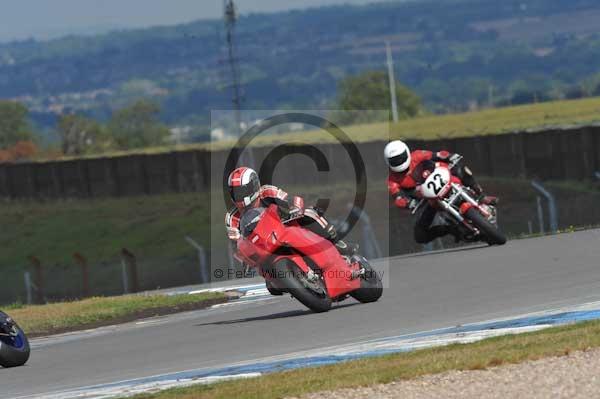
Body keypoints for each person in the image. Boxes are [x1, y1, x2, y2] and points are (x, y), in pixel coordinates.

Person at [225, 166, 356, 255]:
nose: (239, 196)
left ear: (254, 186)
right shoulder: (232, 218)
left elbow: (292, 200)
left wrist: (296, 209)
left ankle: (337, 243)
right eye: (235, 192)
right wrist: (243, 252)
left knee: (310, 213)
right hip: (264, 249)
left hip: (286, 228)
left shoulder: (267, 192)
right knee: (274, 288)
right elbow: (236, 247)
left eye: (242, 191)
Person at [384, 140, 496, 244]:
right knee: (420, 235)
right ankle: (450, 230)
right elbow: (397, 197)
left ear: (407, 152)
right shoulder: (391, 180)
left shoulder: (417, 155)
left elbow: (437, 155)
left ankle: (481, 195)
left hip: (443, 179)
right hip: (427, 199)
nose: (399, 161)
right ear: (388, 162)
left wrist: (449, 156)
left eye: (400, 157)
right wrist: (408, 203)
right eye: (394, 160)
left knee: (461, 169)